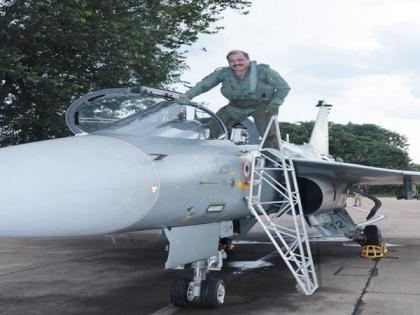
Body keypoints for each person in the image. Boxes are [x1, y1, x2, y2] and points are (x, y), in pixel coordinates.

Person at [179, 50, 290, 147]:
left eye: (240, 60)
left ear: (248, 59)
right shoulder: (224, 73)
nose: (236, 63)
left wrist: (275, 103)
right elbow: (204, 85)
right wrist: (188, 95)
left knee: (269, 135)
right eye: (232, 61)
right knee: (212, 129)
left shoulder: (263, 71)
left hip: (261, 106)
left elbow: (284, 87)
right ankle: (204, 151)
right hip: (235, 106)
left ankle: (274, 161)